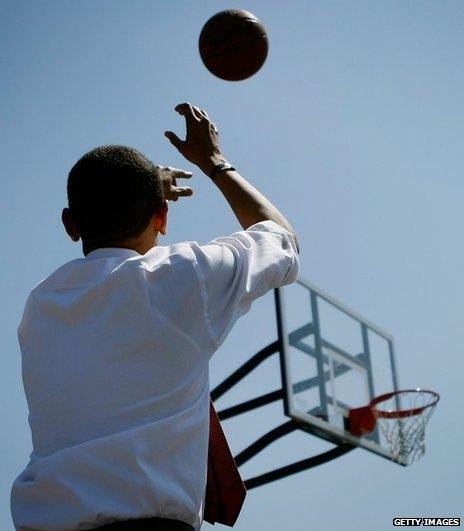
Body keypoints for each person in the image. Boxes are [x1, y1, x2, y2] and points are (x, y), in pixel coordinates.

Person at [10, 103, 299, 530]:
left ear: (71, 225)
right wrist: (214, 163)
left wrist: (139, 189)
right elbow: (282, 241)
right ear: (162, 216)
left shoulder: (41, 305)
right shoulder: (181, 277)